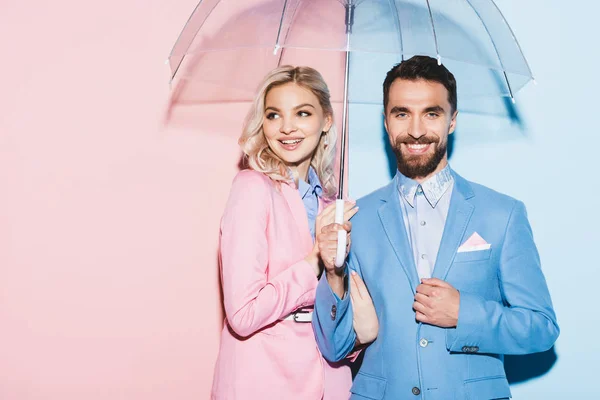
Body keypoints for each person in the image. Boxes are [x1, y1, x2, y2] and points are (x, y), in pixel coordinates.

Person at [312, 55, 560, 400]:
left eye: (431, 113)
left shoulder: (502, 214)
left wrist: (464, 313)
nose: (415, 130)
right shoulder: (354, 219)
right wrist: (333, 273)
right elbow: (333, 346)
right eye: (402, 113)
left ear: (452, 120)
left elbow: (541, 329)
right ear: (386, 121)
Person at [211, 65, 377, 400]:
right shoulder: (252, 189)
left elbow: (336, 319)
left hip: (330, 383)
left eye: (302, 113)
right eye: (274, 115)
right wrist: (314, 260)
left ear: (326, 121)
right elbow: (242, 315)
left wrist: (358, 336)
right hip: (262, 381)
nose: (287, 127)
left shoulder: (335, 205)